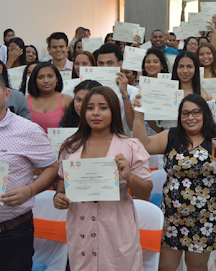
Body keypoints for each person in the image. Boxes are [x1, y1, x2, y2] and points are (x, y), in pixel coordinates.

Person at [132, 93, 216, 271]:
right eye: (185, 113)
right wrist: (139, 115)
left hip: (206, 218)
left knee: (196, 266)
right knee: (166, 266)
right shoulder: (172, 136)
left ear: (205, 114)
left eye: (196, 112)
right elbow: (143, 145)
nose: (191, 117)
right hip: (172, 215)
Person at [53, 86, 153, 271]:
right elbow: (62, 179)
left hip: (115, 227)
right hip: (80, 225)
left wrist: (128, 176)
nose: (95, 113)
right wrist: (59, 195)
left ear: (114, 111)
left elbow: (146, 192)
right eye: (90, 108)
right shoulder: (70, 146)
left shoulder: (130, 146)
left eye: (103, 107)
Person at [0, 71, 58, 270]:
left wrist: (29, 190)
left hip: (12, 232)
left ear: (6, 95)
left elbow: (51, 168)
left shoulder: (28, 130)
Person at [155, 51, 216, 132]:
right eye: (181, 66)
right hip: (170, 142)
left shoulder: (206, 96)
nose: (185, 71)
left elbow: (214, 127)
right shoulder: (165, 95)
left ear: (196, 69)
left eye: (189, 66)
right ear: (175, 68)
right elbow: (159, 128)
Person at [93, 43, 138, 135]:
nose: (105, 67)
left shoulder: (132, 92)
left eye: (110, 63)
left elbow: (132, 126)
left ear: (120, 64)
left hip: (123, 143)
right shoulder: (91, 90)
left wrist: (125, 94)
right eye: (101, 63)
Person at [27, 62, 73, 132]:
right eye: (41, 77)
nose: (46, 81)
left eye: (50, 76)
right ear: (35, 80)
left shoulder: (66, 100)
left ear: (57, 78)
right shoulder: (26, 100)